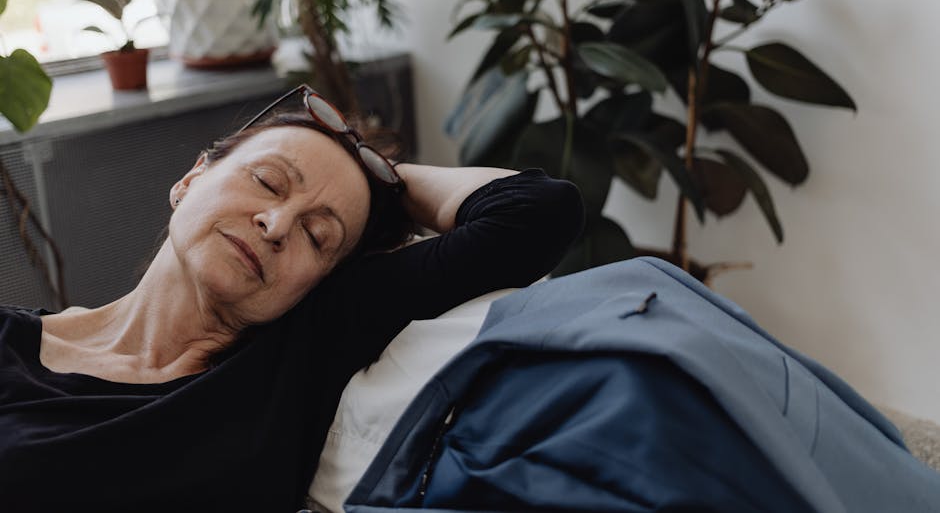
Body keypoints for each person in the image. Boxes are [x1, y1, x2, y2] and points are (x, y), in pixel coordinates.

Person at [0, 84, 585, 513]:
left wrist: (384, 174)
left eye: (318, 235)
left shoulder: (301, 349)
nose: (277, 224)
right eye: (268, 181)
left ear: (318, 280)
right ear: (191, 179)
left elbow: (536, 213)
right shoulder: (11, 344)